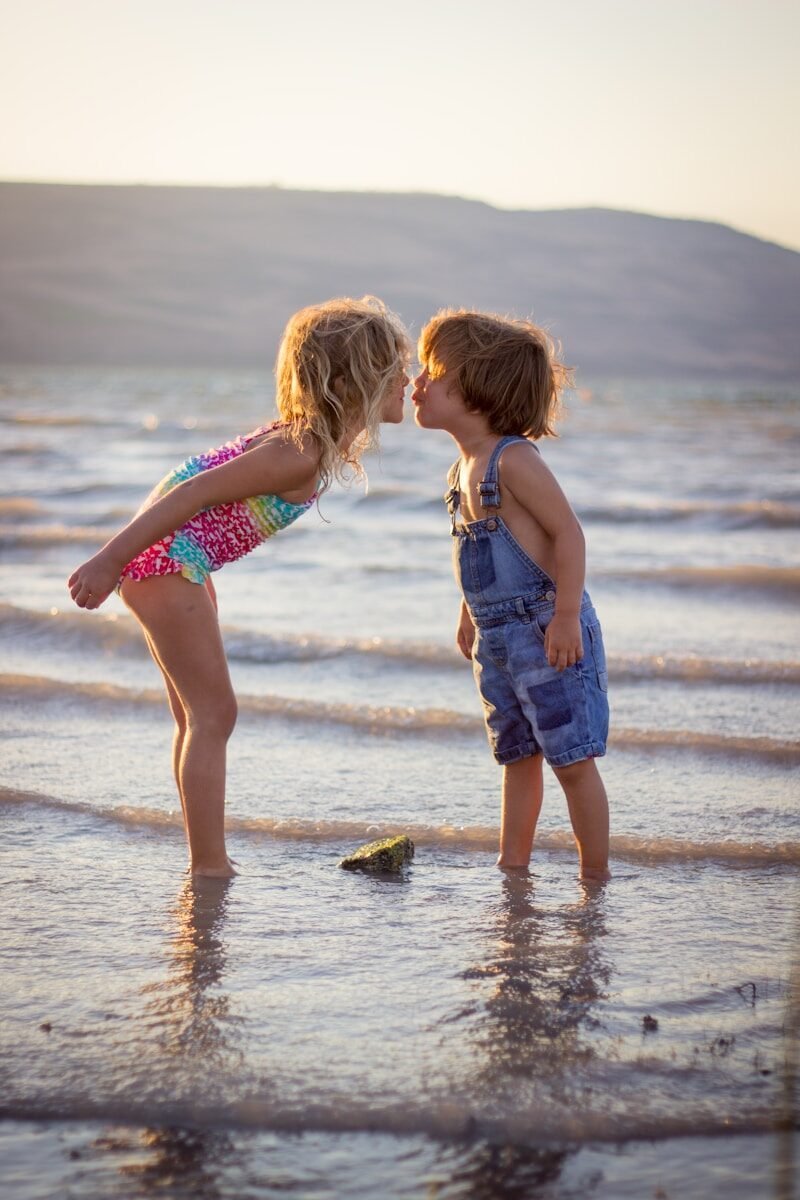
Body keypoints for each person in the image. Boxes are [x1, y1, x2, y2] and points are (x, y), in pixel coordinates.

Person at [68, 296, 410, 878]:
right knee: (214, 715)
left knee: (197, 718)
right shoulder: (295, 454)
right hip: (166, 565)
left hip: (179, 566)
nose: (410, 379)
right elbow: (189, 493)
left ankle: (204, 857)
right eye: (397, 368)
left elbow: (190, 491)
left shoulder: (301, 443)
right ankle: (209, 866)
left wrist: (194, 570)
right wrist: (110, 559)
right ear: (360, 379)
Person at [412, 310, 610, 880]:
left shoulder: (514, 459)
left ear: (475, 387)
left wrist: (567, 616)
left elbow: (567, 534)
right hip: (496, 638)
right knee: (516, 756)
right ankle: (513, 869)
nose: (415, 384)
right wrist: (468, 612)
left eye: (431, 372)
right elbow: (477, 555)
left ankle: (595, 875)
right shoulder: (459, 471)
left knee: (572, 759)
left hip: (547, 633)